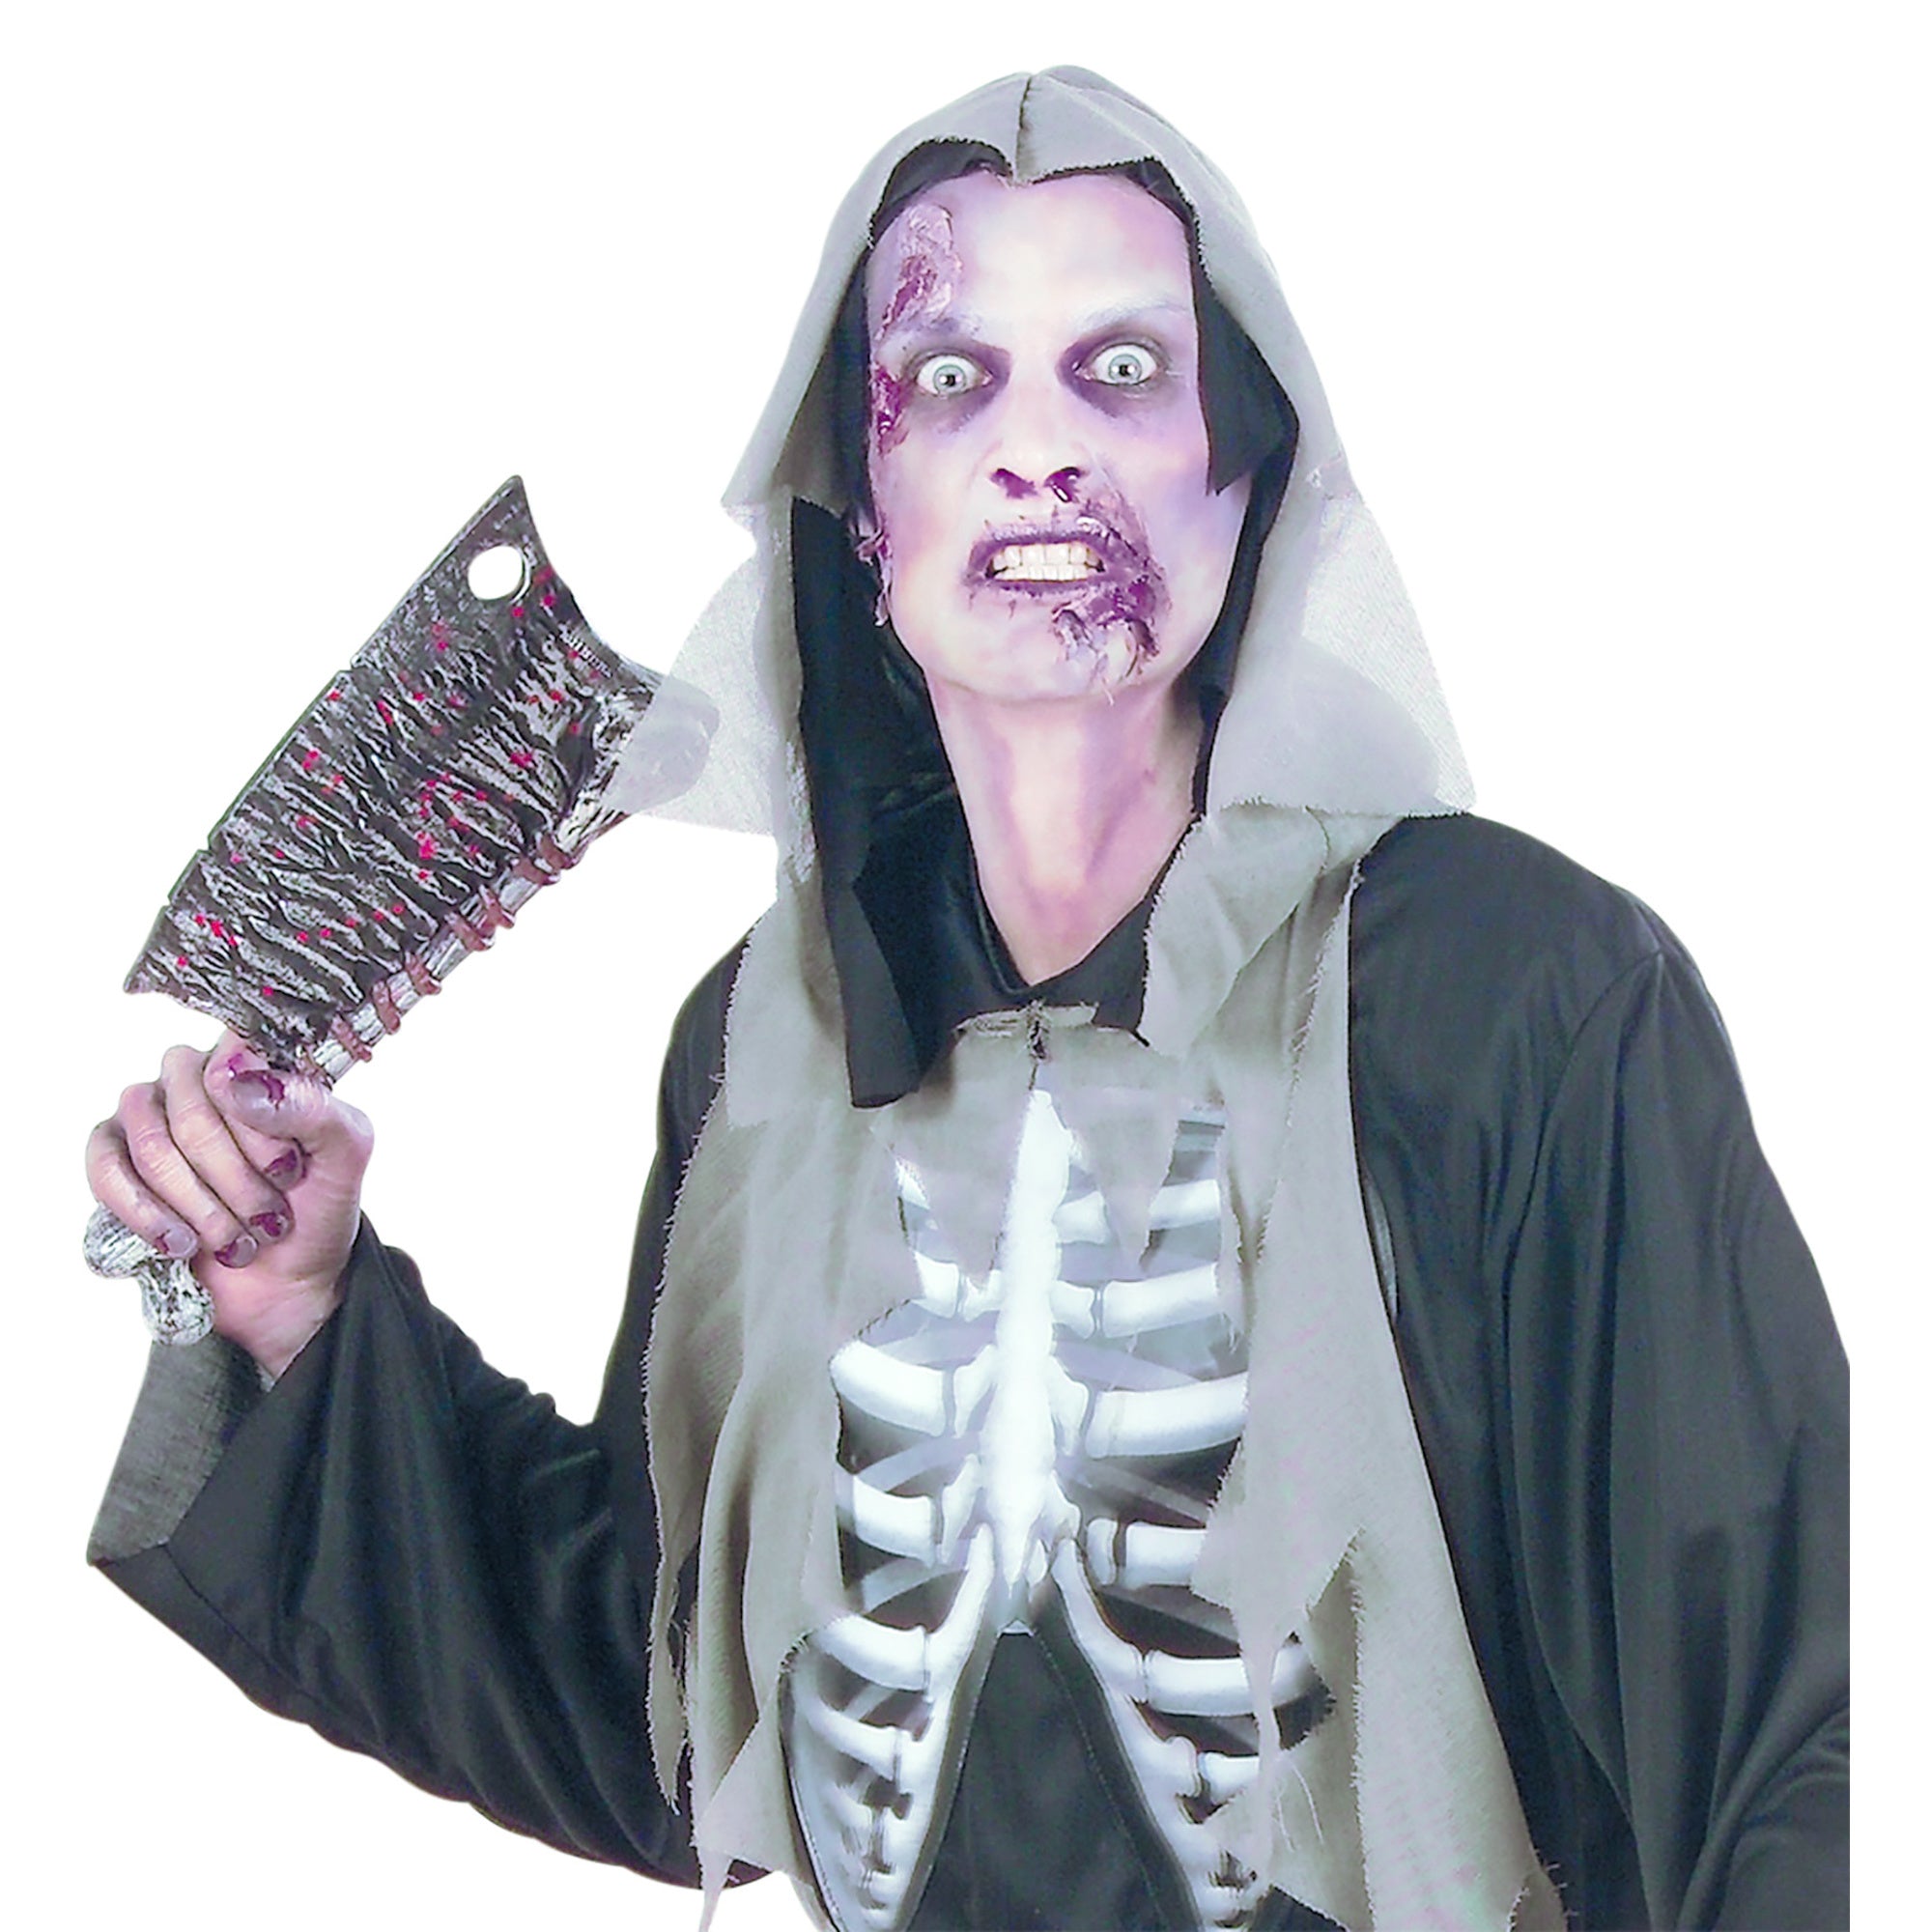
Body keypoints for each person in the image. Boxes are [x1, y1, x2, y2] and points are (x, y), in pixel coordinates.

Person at [84, 70, 1848, 1931]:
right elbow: (676, 1698)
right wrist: (300, 1318)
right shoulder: (768, 1044)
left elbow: (1780, 1715)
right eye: (948, 379)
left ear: (1248, 472)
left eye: (1122, 371)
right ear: (861, 505)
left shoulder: (1504, 995)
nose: (1038, 452)